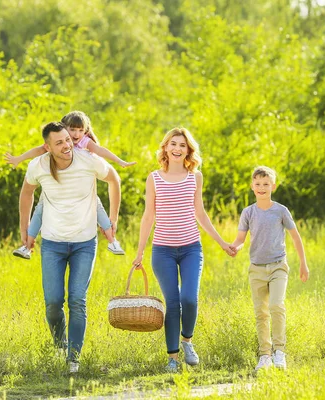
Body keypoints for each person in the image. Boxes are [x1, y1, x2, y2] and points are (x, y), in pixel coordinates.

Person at [19, 121, 121, 374]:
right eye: (60, 142)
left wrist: (114, 217)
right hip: (52, 244)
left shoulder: (88, 160)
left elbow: (114, 179)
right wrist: (24, 229)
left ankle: (73, 359)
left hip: (84, 244)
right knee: (53, 302)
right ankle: (59, 344)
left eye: (68, 139)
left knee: (77, 300)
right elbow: (26, 193)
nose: (67, 145)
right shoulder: (39, 165)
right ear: (47, 147)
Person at [132, 127, 234, 373]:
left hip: (191, 249)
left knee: (189, 298)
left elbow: (200, 213)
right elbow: (148, 216)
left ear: (188, 150)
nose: (177, 149)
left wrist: (222, 243)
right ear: (165, 148)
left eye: (182, 145)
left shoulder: (194, 177)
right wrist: (139, 252)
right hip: (162, 251)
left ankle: (187, 340)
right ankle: (172, 358)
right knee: (173, 302)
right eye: (173, 144)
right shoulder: (154, 177)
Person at [5, 111, 134, 258]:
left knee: (97, 207)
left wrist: (120, 162)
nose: (76, 135)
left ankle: (112, 241)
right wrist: (19, 159)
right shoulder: (50, 151)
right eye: (72, 130)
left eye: (80, 130)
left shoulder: (85, 144)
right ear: (64, 128)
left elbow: (100, 151)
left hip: (83, 194)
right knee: (40, 209)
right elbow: (38, 151)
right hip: (54, 221)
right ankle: (27, 246)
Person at [230, 166, 309, 371]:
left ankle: (279, 352)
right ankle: (265, 355)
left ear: (273, 186)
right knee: (260, 313)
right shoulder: (248, 212)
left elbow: (295, 237)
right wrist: (235, 248)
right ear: (252, 187)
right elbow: (240, 239)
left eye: (266, 184)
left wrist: (303, 263)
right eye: (258, 184)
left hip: (277, 266)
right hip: (256, 269)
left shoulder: (280, 210)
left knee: (276, 305)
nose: (262, 187)